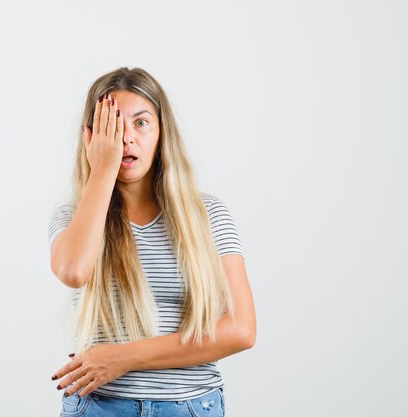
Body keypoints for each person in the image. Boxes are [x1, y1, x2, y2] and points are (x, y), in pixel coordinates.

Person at [47, 67, 256, 417]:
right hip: (100, 407)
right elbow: (73, 271)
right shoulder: (73, 216)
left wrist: (124, 358)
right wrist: (101, 170)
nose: (126, 138)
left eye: (141, 123)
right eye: (112, 126)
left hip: (191, 406)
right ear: (91, 138)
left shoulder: (208, 215)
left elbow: (241, 330)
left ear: (162, 133)